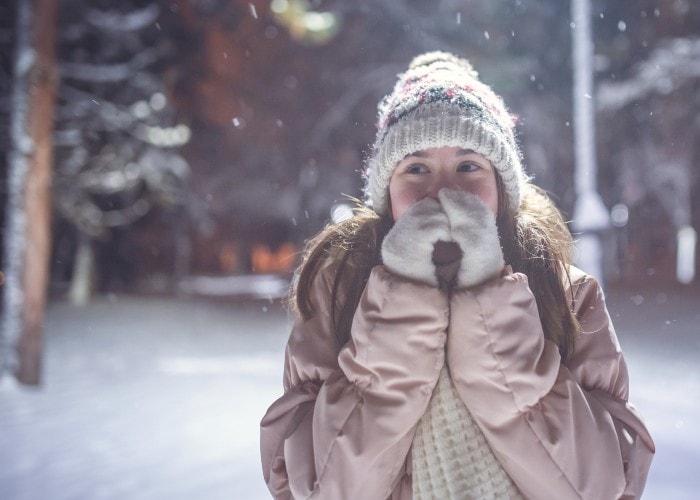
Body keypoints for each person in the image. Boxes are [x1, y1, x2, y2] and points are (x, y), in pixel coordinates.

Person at [260, 51, 654, 499]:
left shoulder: (567, 292)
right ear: (386, 192)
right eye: (416, 168)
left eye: (469, 166)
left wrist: (489, 304)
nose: (444, 190)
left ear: (503, 188)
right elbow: (320, 489)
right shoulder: (337, 291)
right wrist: (402, 300)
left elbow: (601, 487)